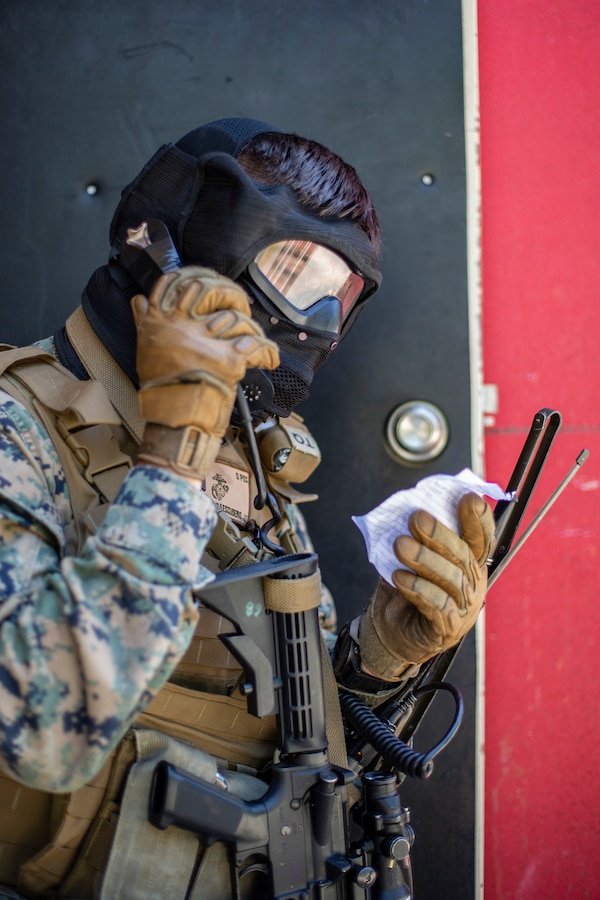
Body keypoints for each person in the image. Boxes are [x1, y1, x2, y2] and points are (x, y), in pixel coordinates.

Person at [0, 117, 494, 898]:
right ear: (169, 250)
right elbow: (36, 735)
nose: (314, 321)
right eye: (292, 270)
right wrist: (172, 467)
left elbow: (301, 758)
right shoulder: (17, 432)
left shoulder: (254, 478)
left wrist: (379, 662)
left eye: (337, 296)